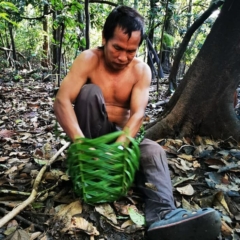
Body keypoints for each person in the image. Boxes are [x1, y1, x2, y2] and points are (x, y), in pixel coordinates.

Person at [54, 6, 221, 240]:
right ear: (104, 39)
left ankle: (164, 215)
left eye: (131, 51)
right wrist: (81, 143)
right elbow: (62, 101)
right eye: (117, 48)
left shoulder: (141, 71)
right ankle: (93, 168)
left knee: (153, 151)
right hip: (91, 142)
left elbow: (137, 115)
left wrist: (121, 148)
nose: (123, 57)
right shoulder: (89, 59)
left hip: (123, 141)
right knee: (89, 93)